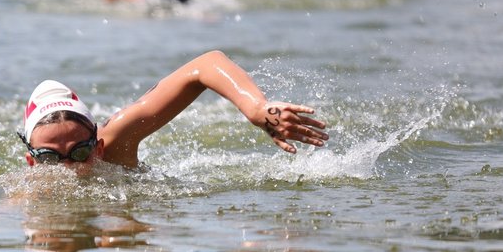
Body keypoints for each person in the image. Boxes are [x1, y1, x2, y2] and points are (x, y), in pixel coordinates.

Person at [18, 50, 329, 170]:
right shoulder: (24, 197)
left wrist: (257, 107)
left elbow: (205, 65)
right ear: (31, 161)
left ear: (98, 148)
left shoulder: (116, 140)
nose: (68, 168)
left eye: (80, 153)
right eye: (49, 158)